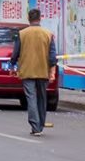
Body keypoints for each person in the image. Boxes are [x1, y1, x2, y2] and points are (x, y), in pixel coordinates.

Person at [12, 8, 58, 136]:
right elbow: (52, 56)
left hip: (27, 70)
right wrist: (52, 71)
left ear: (29, 19)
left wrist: (12, 66)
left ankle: (35, 126)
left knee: (31, 97)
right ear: (40, 18)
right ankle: (41, 124)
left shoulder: (22, 34)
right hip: (43, 71)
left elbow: (16, 53)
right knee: (42, 98)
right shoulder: (48, 34)